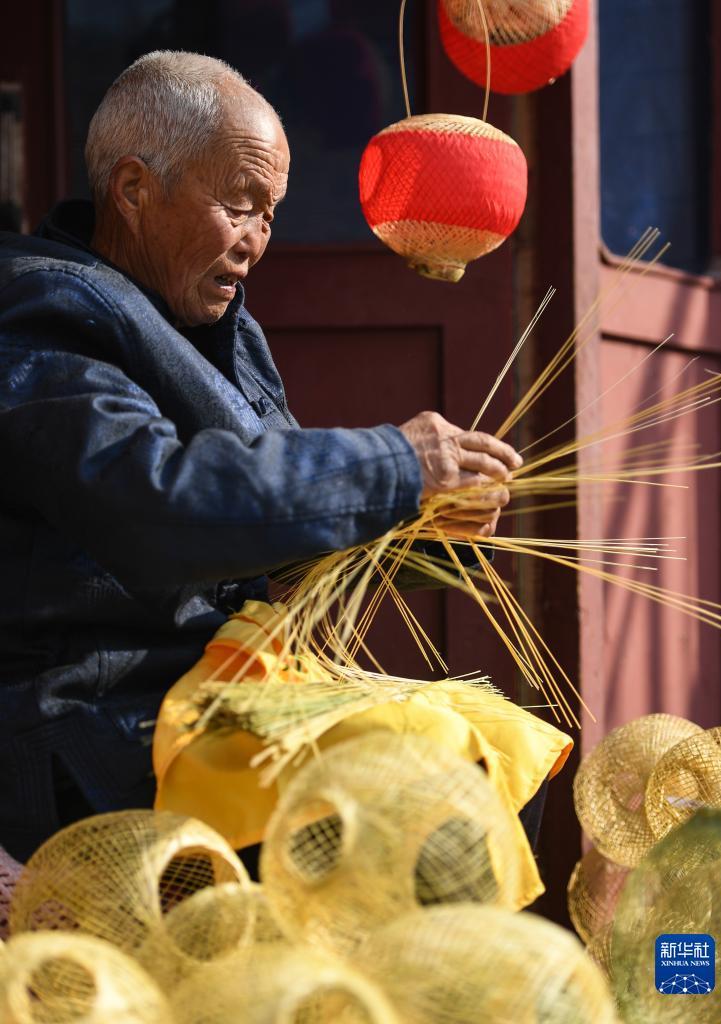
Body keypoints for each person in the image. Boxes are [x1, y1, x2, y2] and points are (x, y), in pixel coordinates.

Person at [0, 51, 521, 863]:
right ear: (135, 189)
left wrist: (419, 530)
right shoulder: (44, 311)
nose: (255, 243)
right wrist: (393, 466)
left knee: (485, 756)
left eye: (269, 215)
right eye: (239, 206)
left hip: (216, 697)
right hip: (95, 720)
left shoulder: (220, 328)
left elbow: (270, 534)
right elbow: (155, 503)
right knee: (414, 798)